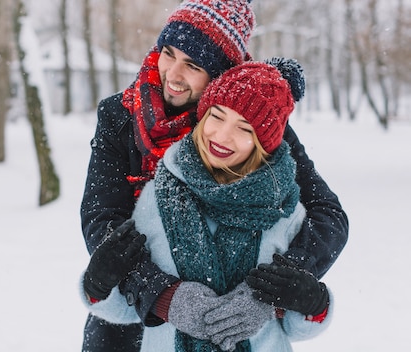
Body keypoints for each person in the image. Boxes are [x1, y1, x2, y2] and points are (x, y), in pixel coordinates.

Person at [80, 0, 348, 351]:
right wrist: (160, 293)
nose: (172, 75)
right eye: (168, 53)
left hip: (236, 321)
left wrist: (269, 290)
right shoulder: (121, 115)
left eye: (193, 65)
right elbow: (103, 218)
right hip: (134, 311)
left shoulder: (253, 120)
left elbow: (328, 217)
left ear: (221, 74)